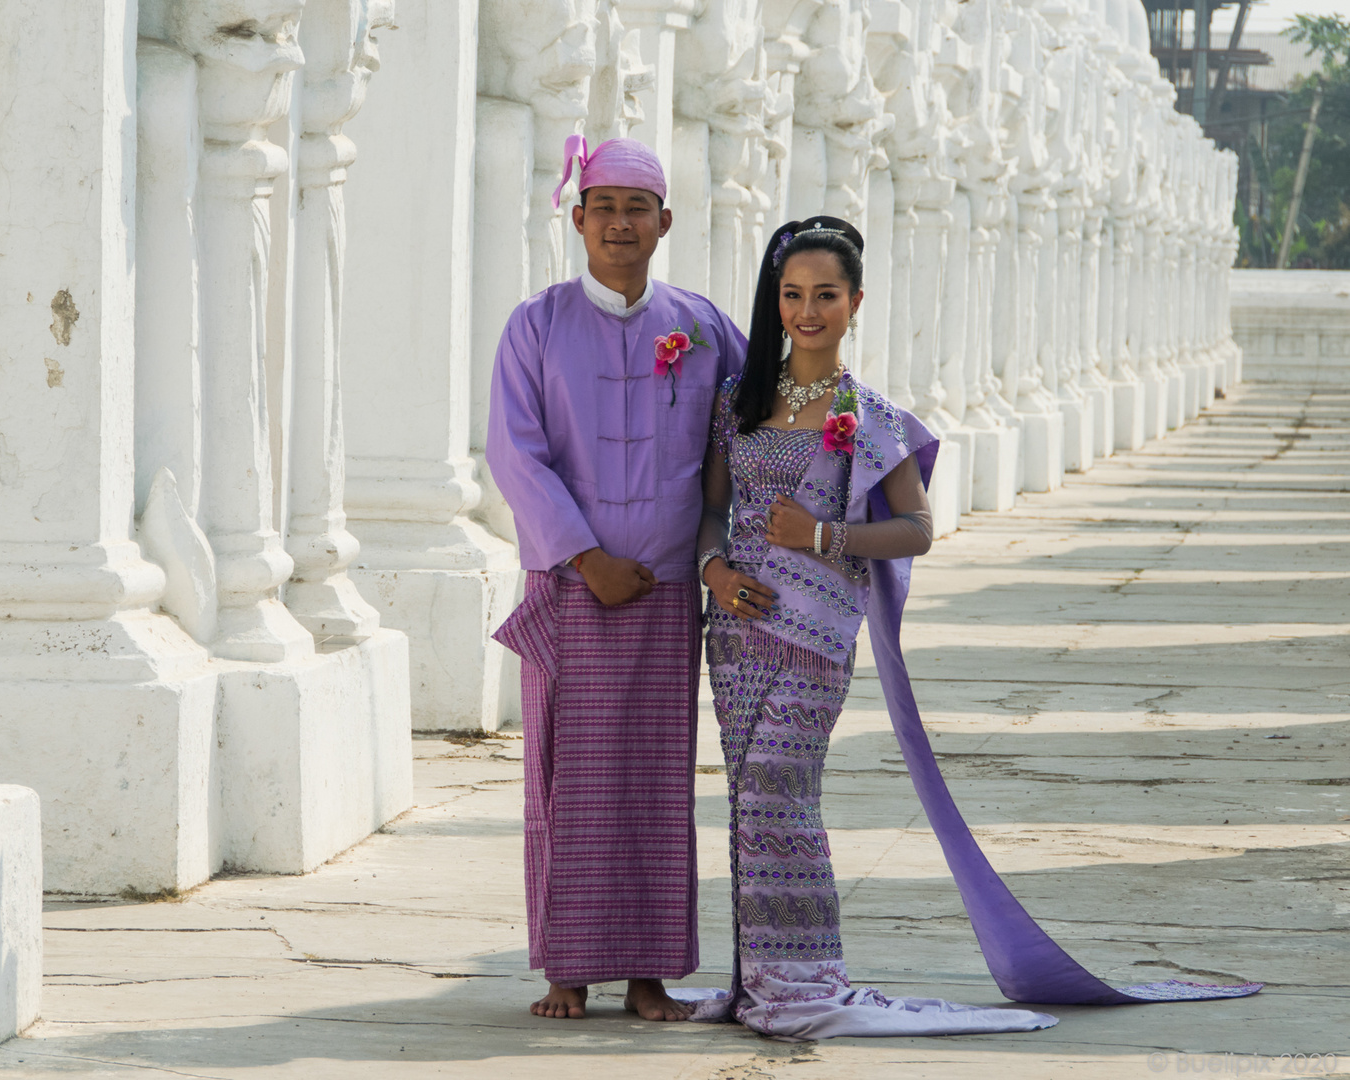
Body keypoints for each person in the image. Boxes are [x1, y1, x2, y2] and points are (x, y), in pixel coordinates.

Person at [685, 216, 1261, 1038]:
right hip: (736, 633)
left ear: (854, 303)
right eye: (791, 295)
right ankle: (761, 980)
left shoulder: (868, 416)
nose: (806, 311)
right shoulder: (735, 406)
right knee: (750, 802)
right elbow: (711, 510)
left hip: (815, 636)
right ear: (774, 303)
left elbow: (916, 529)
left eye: (824, 296)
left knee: (785, 789)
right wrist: (715, 570)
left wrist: (820, 536)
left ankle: (806, 978)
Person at [486, 136, 747, 1022]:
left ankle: (648, 974)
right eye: (605, 207)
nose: (621, 224)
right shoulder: (537, 324)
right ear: (578, 219)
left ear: (665, 221)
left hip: (668, 592)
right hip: (571, 589)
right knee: (567, 785)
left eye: (639, 208)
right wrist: (584, 557)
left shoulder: (705, 327)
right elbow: (514, 452)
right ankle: (566, 967)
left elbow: (754, 429)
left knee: (655, 787)